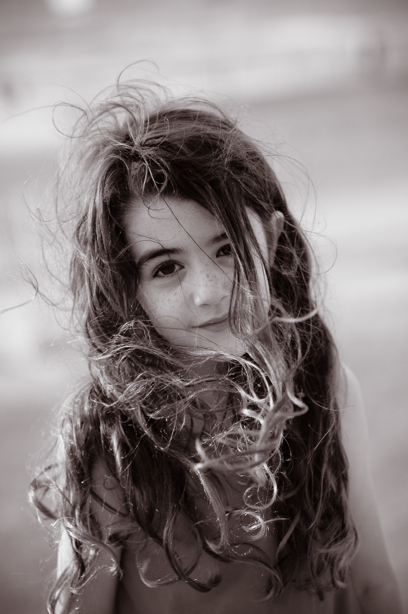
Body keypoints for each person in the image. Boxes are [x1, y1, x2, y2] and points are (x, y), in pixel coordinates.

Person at [31, 82, 402, 614]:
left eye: (227, 247)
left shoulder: (322, 386)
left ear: (271, 240)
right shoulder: (109, 442)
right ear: (128, 291)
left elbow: (372, 586)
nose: (208, 292)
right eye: (166, 267)